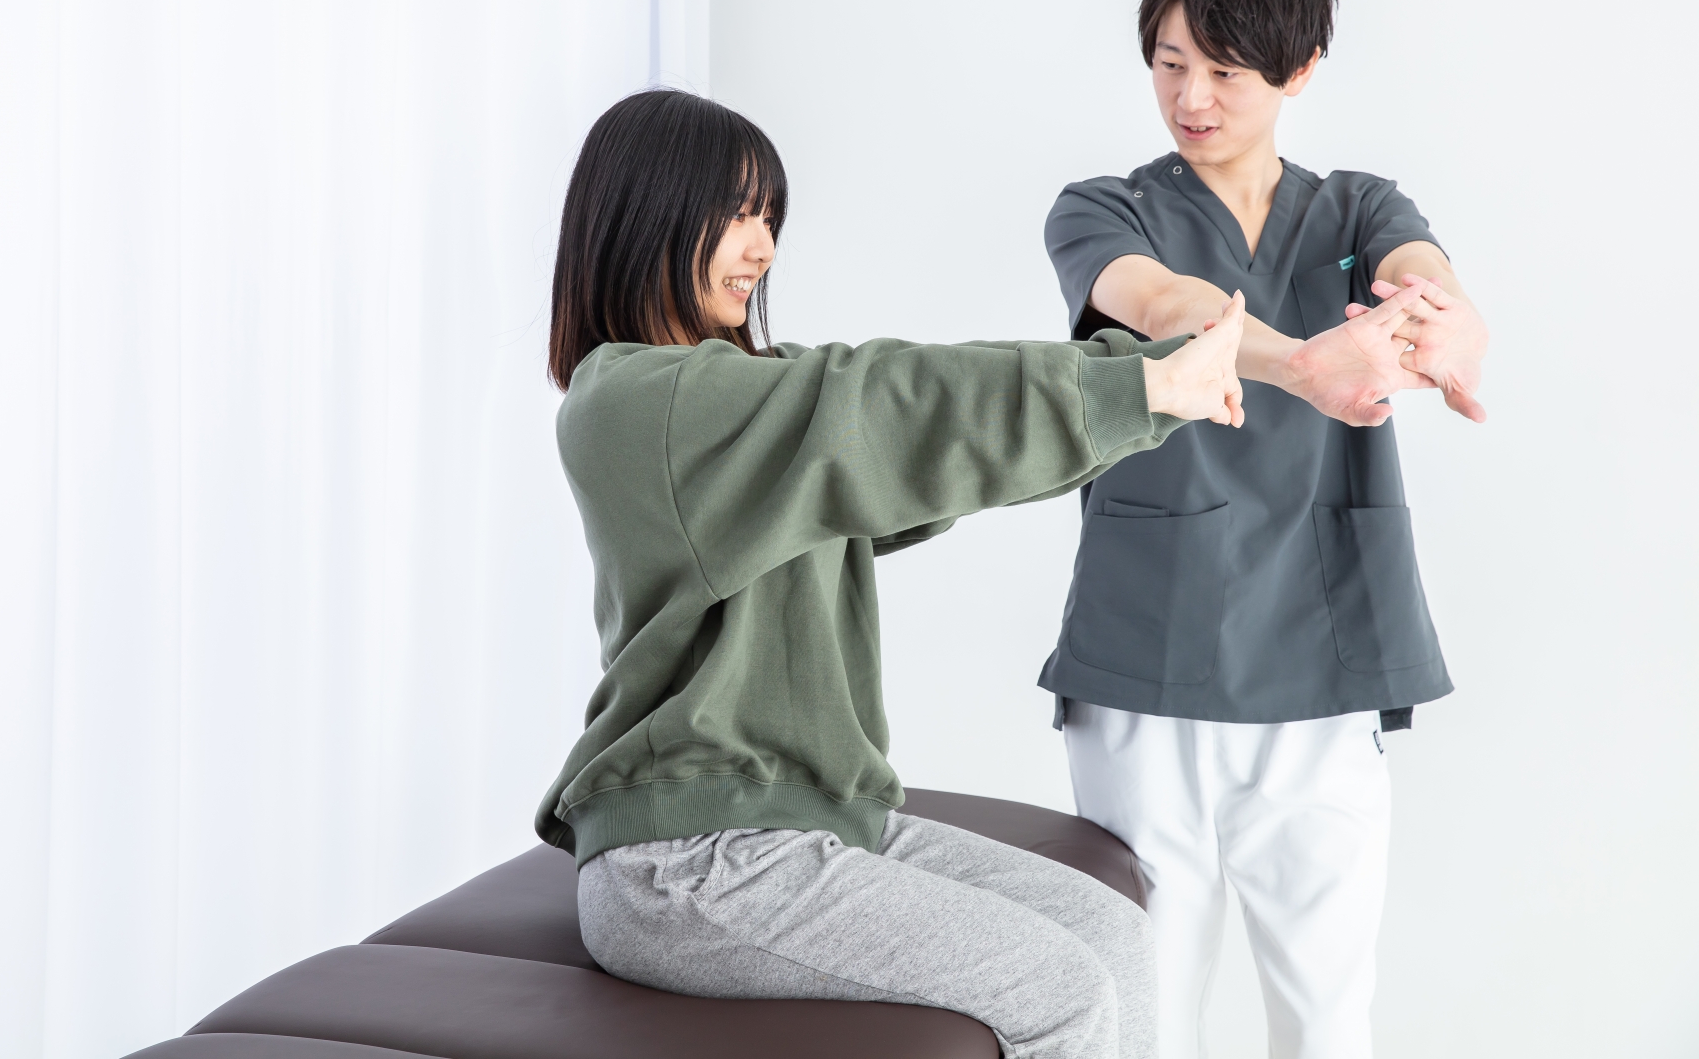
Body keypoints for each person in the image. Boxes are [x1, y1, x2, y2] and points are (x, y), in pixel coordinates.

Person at [535, 87, 1364, 1059]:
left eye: (769, 217)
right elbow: (881, 408)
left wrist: (1138, 390)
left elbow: (918, 442)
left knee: (1114, 932)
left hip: (808, 819)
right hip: (692, 856)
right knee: (1060, 990)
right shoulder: (635, 401)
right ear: (647, 214)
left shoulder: (746, 397)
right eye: (736, 213)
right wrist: (1136, 385)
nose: (762, 248)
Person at [1038, 0, 1491, 1059]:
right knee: (1147, 1012)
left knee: (1329, 1016)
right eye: (1169, 62)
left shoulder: (1357, 210)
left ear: (1300, 71)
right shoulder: (1103, 209)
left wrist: (1447, 319)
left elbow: (1418, 270)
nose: (1189, 97)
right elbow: (1162, 301)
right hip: (1150, 659)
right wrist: (1300, 363)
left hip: (1323, 659)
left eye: (1225, 71)